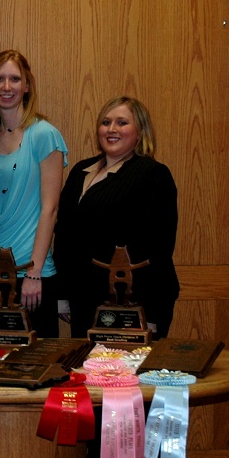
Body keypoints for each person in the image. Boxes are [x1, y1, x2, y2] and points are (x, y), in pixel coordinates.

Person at [55, 96, 179, 338]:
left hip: (132, 302)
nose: (112, 129)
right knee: (89, 373)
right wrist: (63, 294)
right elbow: (64, 237)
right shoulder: (80, 171)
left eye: (122, 123)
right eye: (106, 122)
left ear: (140, 132)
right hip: (84, 299)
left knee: (125, 373)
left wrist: (151, 315)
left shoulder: (153, 175)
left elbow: (159, 249)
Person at [0, 50, 68, 337]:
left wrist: (34, 271)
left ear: (27, 85)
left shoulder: (44, 134)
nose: (7, 87)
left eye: (15, 79)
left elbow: (50, 209)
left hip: (30, 274)